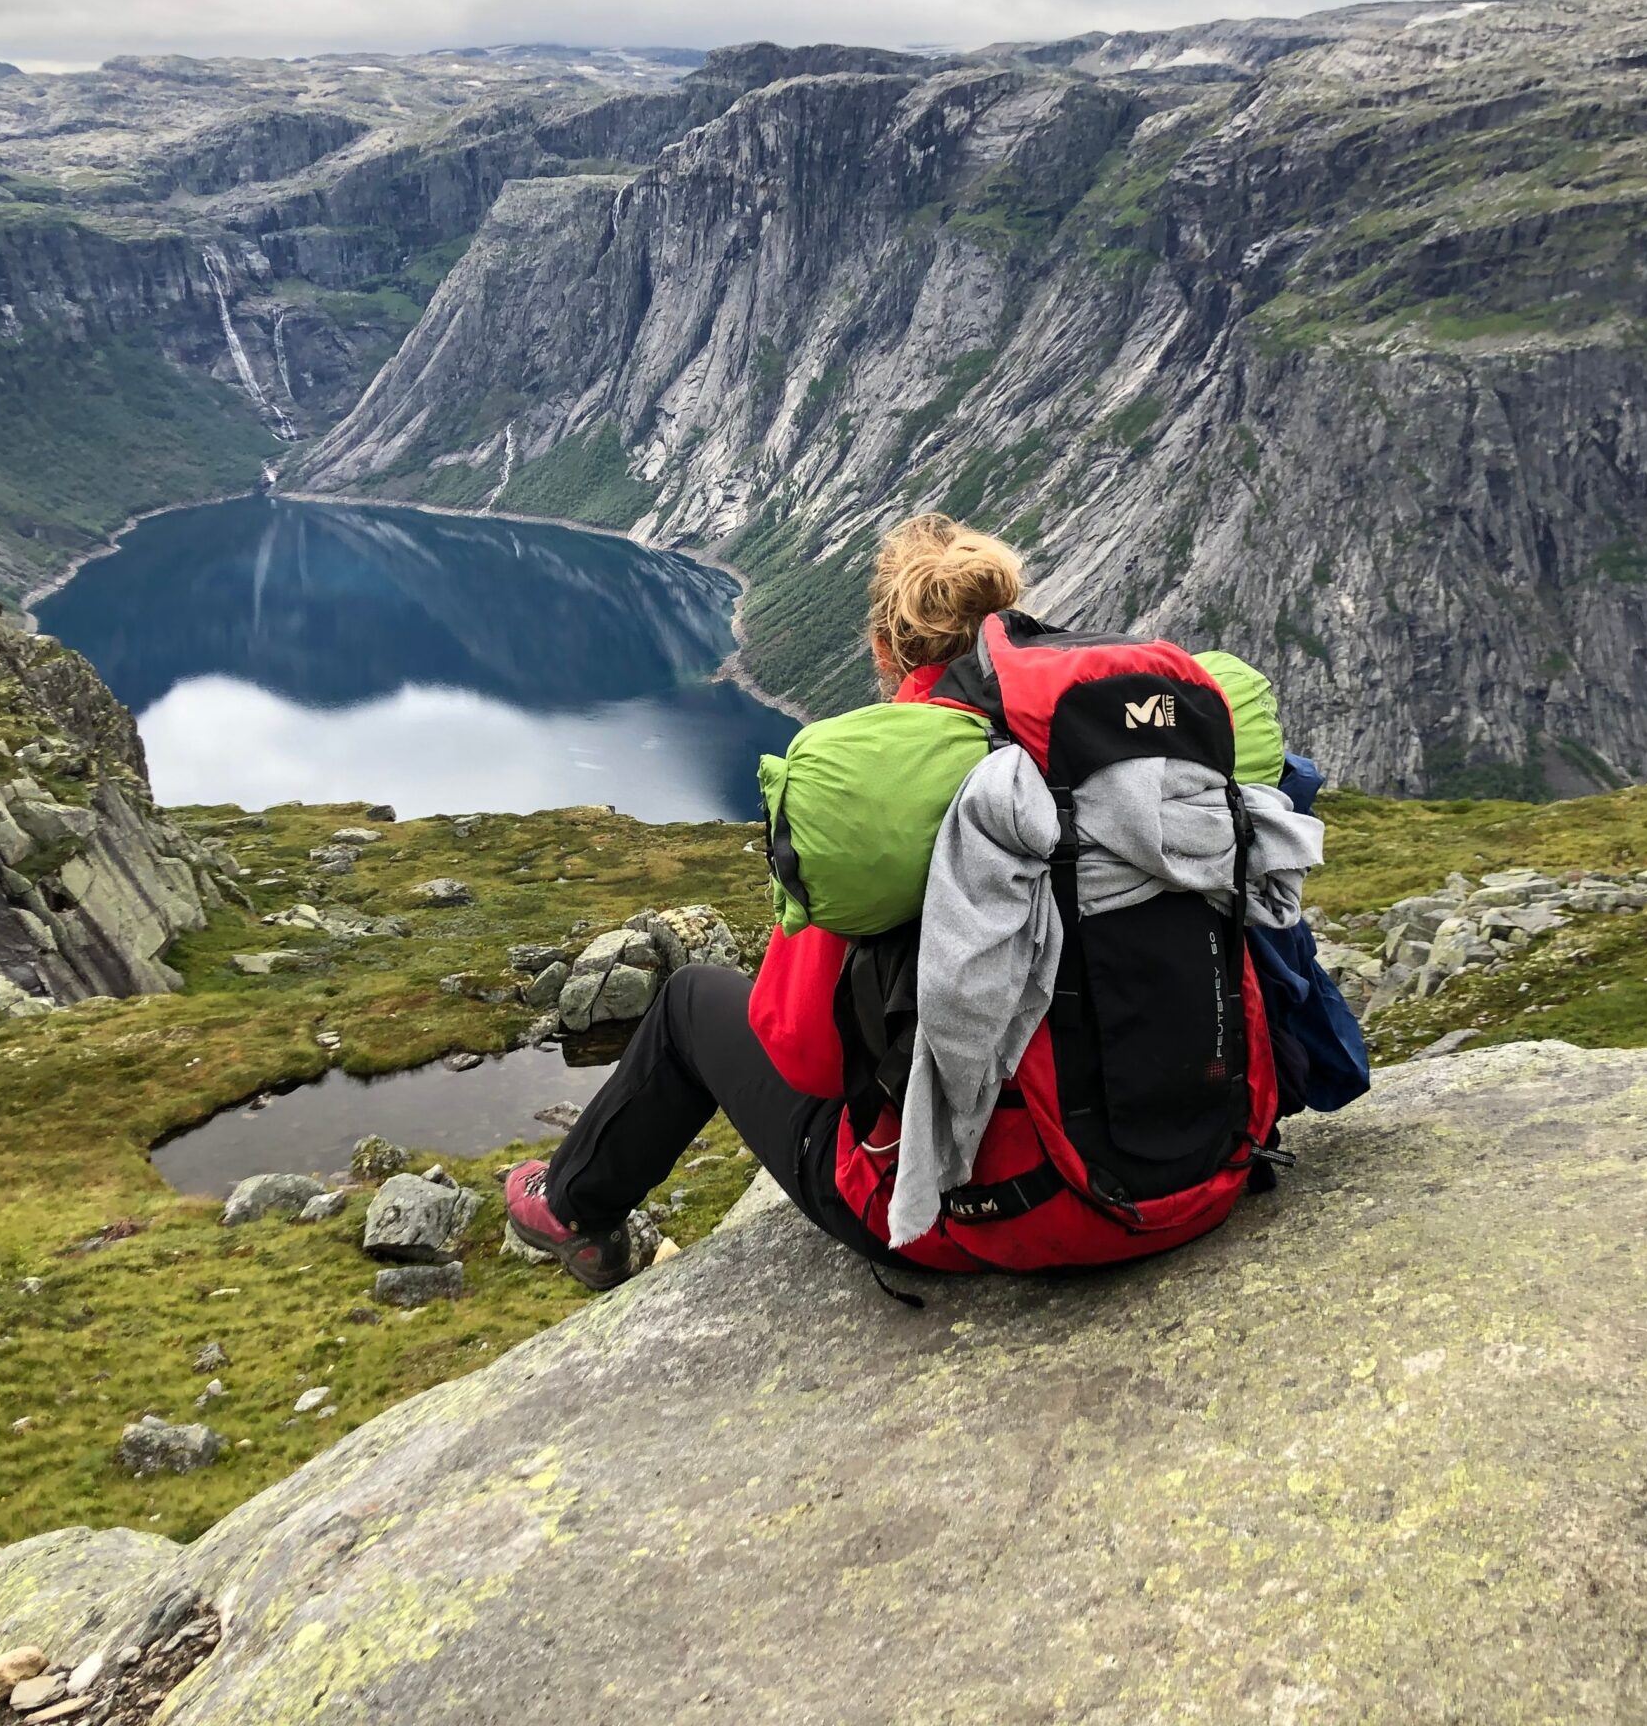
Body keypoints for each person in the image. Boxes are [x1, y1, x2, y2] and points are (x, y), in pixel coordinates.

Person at [502, 512, 1353, 1290]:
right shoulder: (1129, 757)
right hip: (1209, 1172)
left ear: (884, 651)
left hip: (1006, 1216)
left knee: (691, 1002)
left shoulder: (882, 803)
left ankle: (572, 1208)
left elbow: (805, 1057)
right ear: (1009, 616)